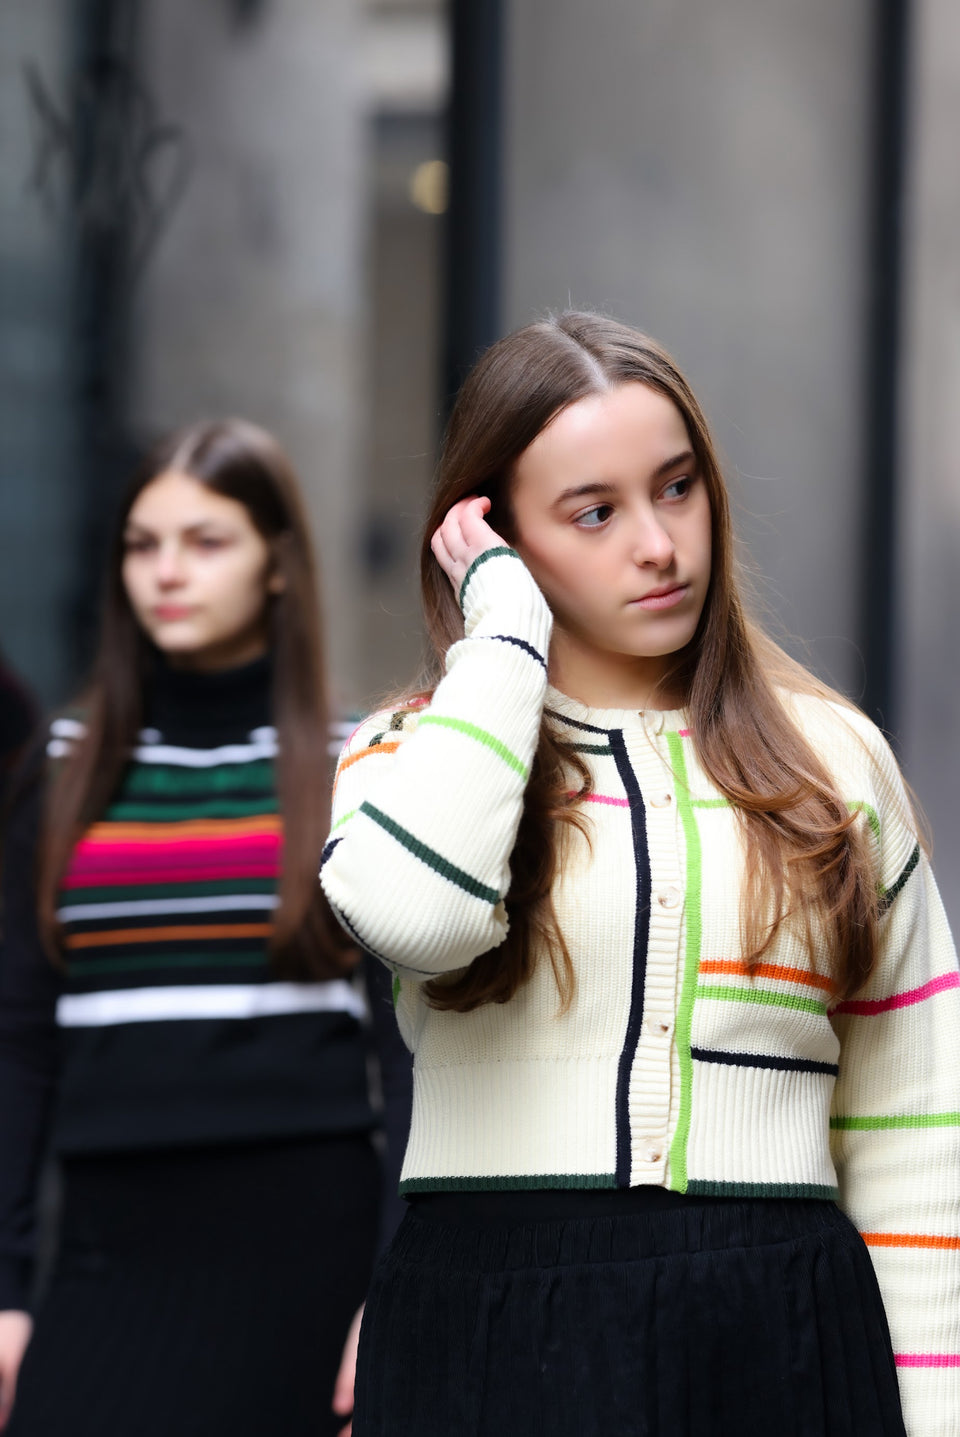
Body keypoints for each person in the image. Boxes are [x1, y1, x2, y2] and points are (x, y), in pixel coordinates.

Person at [320, 312, 960, 1437]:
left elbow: (915, 1125)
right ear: (497, 534)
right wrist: (503, 638)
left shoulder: (835, 761)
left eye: (677, 489)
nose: (659, 545)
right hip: (487, 1330)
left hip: (785, 1326)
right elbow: (417, 916)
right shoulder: (411, 752)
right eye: (595, 512)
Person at [0, 419, 410, 1437]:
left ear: (277, 563)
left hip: (306, 1247)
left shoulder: (355, 765)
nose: (166, 573)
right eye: (143, 545)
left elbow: (413, 1060)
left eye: (206, 541)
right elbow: (15, 1041)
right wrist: (4, 1291)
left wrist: (396, 1293)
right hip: (107, 1243)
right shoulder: (63, 768)